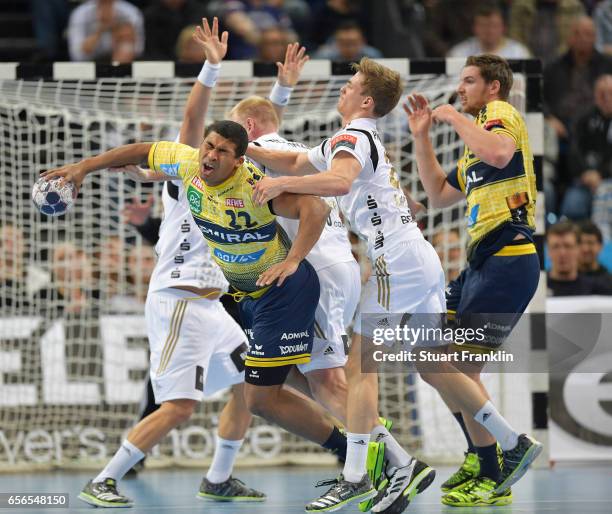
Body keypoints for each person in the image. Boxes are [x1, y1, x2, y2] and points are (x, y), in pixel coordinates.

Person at [247, 57, 441, 513]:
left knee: (357, 372)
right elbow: (295, 157)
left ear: (366, 100)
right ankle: (488, 446)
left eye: (350, 85)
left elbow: (336, 181)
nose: (343, 90)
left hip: (397, 261)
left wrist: (283, 185)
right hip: (409, 257)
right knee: (429, 364)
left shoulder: (355, 136)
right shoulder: (349, 138)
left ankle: (358, 476)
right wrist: (248, 150)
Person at [404, 53, 543, 506]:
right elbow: (438, 193)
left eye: (468, 81)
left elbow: (500, 151)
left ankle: (496, 459)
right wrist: (424, 136)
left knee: (453, 364)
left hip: (508, 256)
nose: (460, 90)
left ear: (493, 87)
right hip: (480, 264)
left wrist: (448, 114)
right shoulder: (475, 142)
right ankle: (483, 455)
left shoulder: (500, 116)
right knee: (433, 362)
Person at [562, 74, 612, 219]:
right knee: (572, 205)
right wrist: (585, 173)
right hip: (584, 179)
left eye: (611, 94)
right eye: (602, 94)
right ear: (595, 95)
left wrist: (601, 174)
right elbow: (573, 150)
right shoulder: (582, 119)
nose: (607, 98)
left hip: (608, 178)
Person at [547, 220, 612, 295]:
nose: (562, 253)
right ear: (548, 251)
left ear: (578, 249)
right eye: (556, 247)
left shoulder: (598, 291)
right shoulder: (536, 288)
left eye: (568, 246)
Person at [67, 0, 145, 62]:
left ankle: (118, 75)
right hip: (90, 63)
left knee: (126, 42)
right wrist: (100, 30)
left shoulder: (130, 12)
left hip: (121, 60)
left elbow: (138, 48)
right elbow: (77, 55)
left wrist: (116, 32)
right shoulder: (80, 14)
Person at [448, 6, 530, 59]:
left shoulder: (518, 52)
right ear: (474, 28)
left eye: (494, 25)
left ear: (504, 28)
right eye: (483, 25)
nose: (489, 31)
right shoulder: (459, 53)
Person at [314, 21, 382, 61]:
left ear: (362, 41)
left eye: (354, 43)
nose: (350, 48)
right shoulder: (324, 57)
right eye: (344, 43)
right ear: (336, 42)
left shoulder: (373, 56)